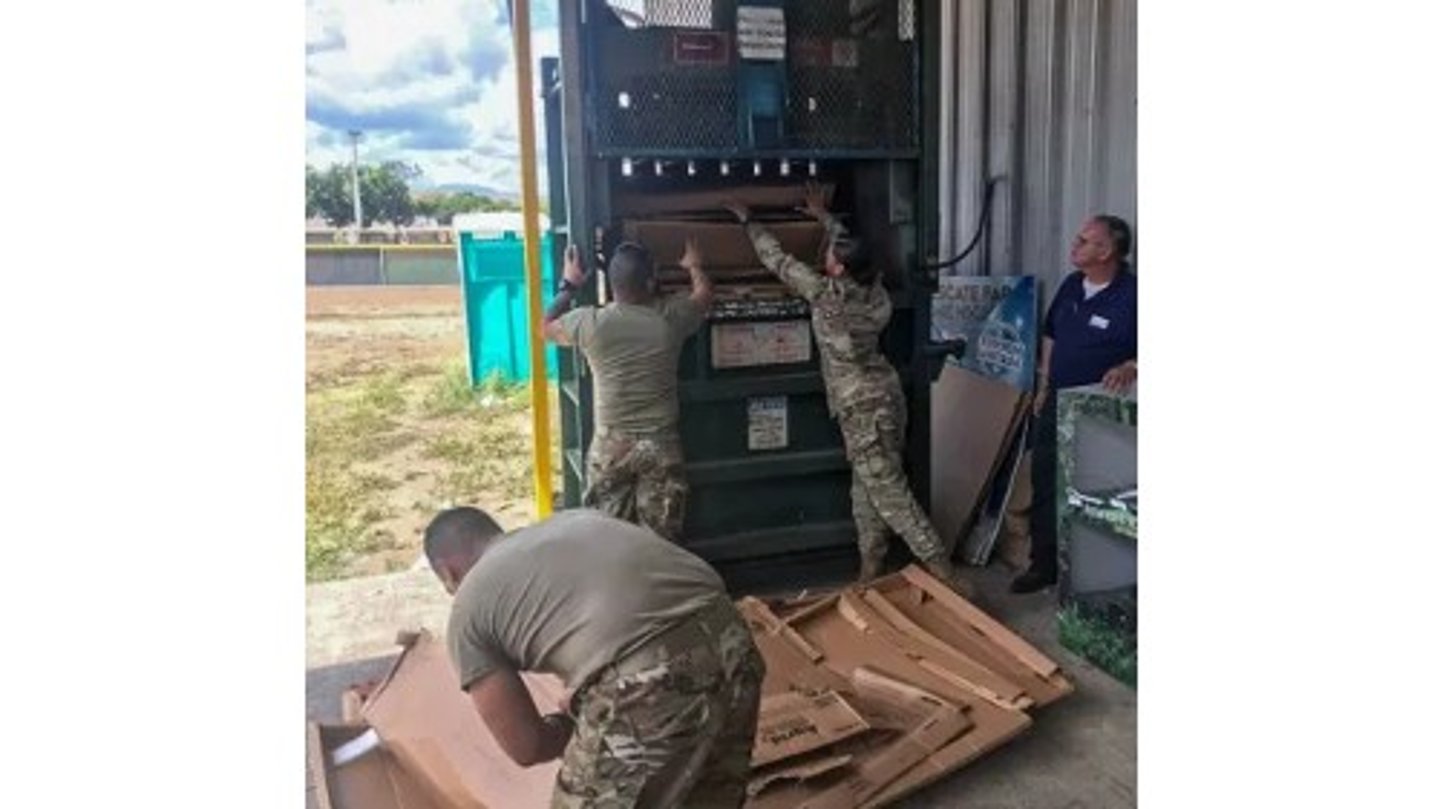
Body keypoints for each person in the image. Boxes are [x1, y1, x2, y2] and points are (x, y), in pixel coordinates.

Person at [723, 186, 974, 597]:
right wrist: (825, 216)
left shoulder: (826, 297)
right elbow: (852, 251)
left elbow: (777, 260)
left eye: (830, 257)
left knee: (891, 496)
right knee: (866, 493)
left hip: (861, 410)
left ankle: (946, 575)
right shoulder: (876, 296)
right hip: (887, 398)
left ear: (837, 270)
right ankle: (869, 571)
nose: (826, 259)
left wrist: (748, 218)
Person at [425, 506, 765, 809]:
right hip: (734, 641)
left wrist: (575, 721)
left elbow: (526, 747)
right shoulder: (578, 519)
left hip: (651, 679)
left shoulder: (467, 609)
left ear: (448, 572)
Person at [543, 239, 713, 542]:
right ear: (650, 282)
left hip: (611, 444)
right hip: (660, 442)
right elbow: (703, 297)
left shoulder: (591, 323)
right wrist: (694, 265)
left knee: (605, 536)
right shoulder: (670, 318)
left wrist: (568, 284)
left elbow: (543, 327)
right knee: (662, 539)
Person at [1013, 214, 1137, 594]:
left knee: (1095, 493)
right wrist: (1045, 384)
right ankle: (1044, 565)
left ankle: (1093, 580)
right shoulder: (1071, 286)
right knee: (1046, 480)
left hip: (1102, 414)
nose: (1074, 245)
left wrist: (1131, 365)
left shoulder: (1134, 295)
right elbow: (1051, 336)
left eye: (1084, 241)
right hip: (1057, 403)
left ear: (1107, 251)